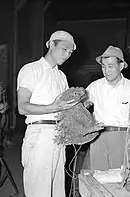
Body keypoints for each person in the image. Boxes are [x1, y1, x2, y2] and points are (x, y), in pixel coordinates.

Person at [17, 30, 78, 197]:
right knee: (39, 190)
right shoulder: (31, 70)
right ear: (52, 44)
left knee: (58, 189)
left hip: (59, 136)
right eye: (64, 49)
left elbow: (65, 108)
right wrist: (53, 107)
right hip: (39, 134)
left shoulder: (61, 76)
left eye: (70, 52)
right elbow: (22, 107)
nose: (67, 55)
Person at [85, 45, 130, 170]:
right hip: (98, 137)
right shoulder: (95, 87)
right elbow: (81, 106)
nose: (106, 70)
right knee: (99, 177)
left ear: (120, 66)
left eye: (110, 66)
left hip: (123, 136)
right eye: (103, 66)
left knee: (123, 177)